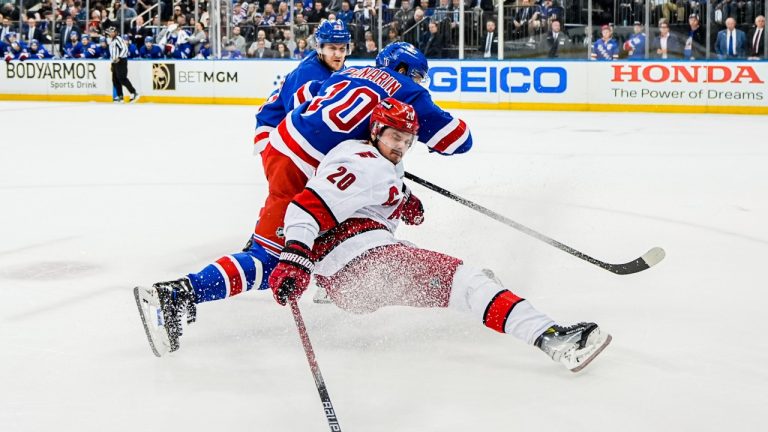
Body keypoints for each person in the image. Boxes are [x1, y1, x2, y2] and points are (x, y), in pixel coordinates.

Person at [133, 43, 473, 357]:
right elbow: (459, 141)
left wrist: (397, 188)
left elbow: (350, 136)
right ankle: (176, 294)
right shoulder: (408, 91)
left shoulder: (348, 73)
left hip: (289, 146)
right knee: (273, 260)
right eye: (416, 76)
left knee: (346, 215)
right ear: (404, 69)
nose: (418, 83)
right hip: (304, 166)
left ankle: (310, 265)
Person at [266, 98, 612, 373]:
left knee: (444, 275)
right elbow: (305, 208)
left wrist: (400, 197)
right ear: (375, 131)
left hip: (353, 286)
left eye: (406, 140)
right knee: (469, 282)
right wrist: (295, 256)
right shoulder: (361, 162)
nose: (400, 146)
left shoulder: (379, 161)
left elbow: (364, 198)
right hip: (366, 266)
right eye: (393, 137)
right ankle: (552, 339)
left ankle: (481, 299)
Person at [254, 20, 351, 154]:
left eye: (342, 48)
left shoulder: (332, 65)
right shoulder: (307, 73)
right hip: (271, 129)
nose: (338, 54)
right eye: (332, 48)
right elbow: (296, 119)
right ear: (319, 48)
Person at [106, 26, 138, 103]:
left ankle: (134, 93)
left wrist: (119, 58)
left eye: (112, 32)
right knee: (115, 80)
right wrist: (112, 63)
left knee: (122, 78)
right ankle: (120, 96)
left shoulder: (118, 39)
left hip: (121, 61)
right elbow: (112, 53)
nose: (111, 33)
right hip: (115, 62)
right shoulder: (112, 41)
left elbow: (125, 48)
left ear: (116, 32)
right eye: (110, 32)